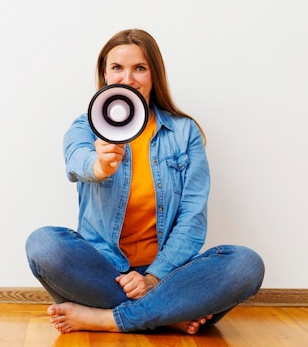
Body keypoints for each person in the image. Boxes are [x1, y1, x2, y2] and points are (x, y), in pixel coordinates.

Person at [25, 28, 265, 334]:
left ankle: (107, 319)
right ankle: (169, 313)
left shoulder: (184, 132)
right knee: (43, 244)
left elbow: (192, 219)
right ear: (104, 74)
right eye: (117, 68)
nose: (128, 79)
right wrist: (99, 166)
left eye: (139, 68)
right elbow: (77, 162)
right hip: (104, 273)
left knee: (246, 264)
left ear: (155, 75)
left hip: (168, 276)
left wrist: (152, 278)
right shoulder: (85, 127)